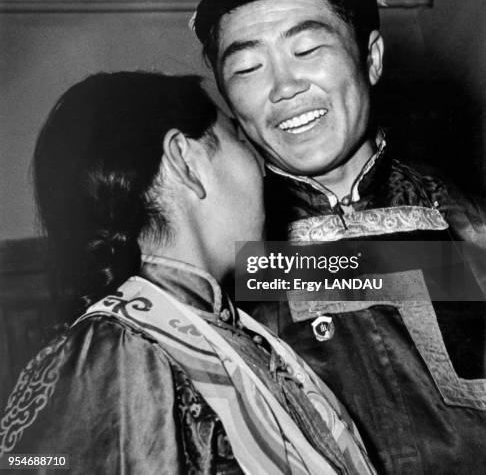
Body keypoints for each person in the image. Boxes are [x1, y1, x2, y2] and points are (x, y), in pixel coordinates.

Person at [192, 0, 486, 474]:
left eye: (307, 51)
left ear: (371, 58)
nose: (283, 87)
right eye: (247, 68)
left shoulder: (465, 221)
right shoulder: (221, 270)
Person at [0, 72, 375, 475]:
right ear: (185, 161)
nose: (264, 169)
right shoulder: (117, 353)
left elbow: (392, 273)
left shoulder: (216, 323)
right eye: (240, 140)